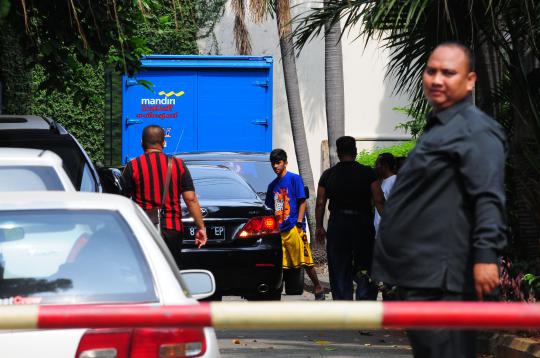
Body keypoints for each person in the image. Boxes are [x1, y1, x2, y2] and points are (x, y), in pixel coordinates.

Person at [372, 42, 507, 358]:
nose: (437, 79)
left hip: (446, 280)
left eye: (449, 72)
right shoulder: (439, 129)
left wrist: (486, 257)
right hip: (422, 277)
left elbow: (488, 196)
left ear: (470, 80)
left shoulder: (475, 130)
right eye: (431, 71)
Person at [122, 125, 207, 265]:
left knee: (146, 269)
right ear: (163, 143)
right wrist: (201, 228)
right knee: (170, 270)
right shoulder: (178, 165)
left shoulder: (133, 166)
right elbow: (191, 199)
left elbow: (123, 200)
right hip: (172, 230)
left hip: (144, 227)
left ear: (142, 142)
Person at [315, 136, 385, 300]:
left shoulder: (328, 175)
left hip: (338, 225)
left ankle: (343, 308)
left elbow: (320, 203)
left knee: (339, 268)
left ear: (338, 153)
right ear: (355, 151)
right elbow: (379, 199)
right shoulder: (368, 172)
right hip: (362, 225)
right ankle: (365, 306)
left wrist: (319, 226)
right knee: (365, 264)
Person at [265, 149, 325, 300]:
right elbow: (269, 209)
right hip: (279, 230)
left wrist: (299, 222)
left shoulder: (294, 179)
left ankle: (318, 287)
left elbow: (302, 201)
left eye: (278, 163)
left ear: (285, 162)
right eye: (273, 163)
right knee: (280, 264)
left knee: (305, 260)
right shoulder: (272, 186)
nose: (275, 166)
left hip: (294, 227)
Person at [373, 152, 397, 236]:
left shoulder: (394, 181)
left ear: (385, 166)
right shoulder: (382, 182)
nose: (375, 167)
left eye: (377, 164)